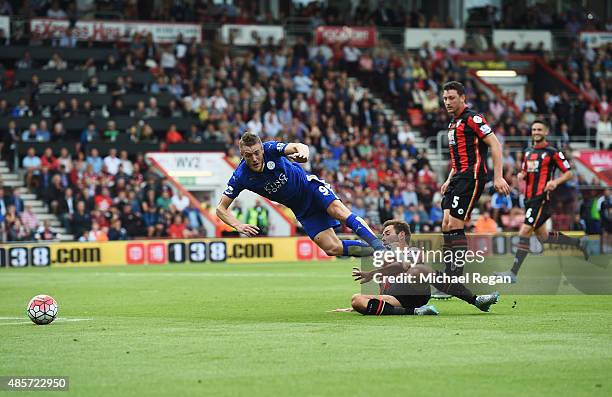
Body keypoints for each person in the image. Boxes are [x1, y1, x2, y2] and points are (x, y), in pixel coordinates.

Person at [216, 132, 385, 257]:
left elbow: (297, 146)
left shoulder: (270, 149)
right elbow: (220, 209)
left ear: (261, 149)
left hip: (309, 188)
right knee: (332, 248)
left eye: (256, 153)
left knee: (339, 211)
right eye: (248, 155)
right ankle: (377, 253)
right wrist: (237, 225)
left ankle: (380, 247)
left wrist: (303, 153)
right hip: (301, 209)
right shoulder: (241, 176)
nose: (254, 158)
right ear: (242, 155)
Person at [433, 81, 509, 309]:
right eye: (445, 98)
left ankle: (453, 279)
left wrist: (498, 176)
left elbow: (495, 145)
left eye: (452, 98)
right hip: (457, 177)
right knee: (446, 224)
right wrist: (448, 179)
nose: (447, 102)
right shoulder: (452, 124)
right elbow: (457, 159)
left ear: (463, 98)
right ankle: (449, 278)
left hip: (472, 178)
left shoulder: (472, 119)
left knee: (455, 223)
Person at [494, 120, 590, 282]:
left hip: (542, 198)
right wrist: (521, 175)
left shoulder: (553, 152)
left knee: (524, 232)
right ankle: (578, 243)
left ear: (546, 132)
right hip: (530, 200)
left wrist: (554, 182)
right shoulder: (528, 152)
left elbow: (569, 173)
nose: (536, 132)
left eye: (539, 129)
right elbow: (525, 171)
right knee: (543, 237)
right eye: (534, 129)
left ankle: (513, 273)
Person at [338, 220, 439, 315]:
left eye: (387, 234)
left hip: (414, 295)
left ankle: (417, 307)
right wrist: (366, 304)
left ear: (402, 235)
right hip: (396, 299)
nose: (383, 238)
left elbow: (403, 266)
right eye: (382, 235)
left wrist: (372, 273)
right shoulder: (384, 258)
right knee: (357, 300)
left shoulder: (414, 251)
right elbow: (385, 290)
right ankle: (415, 311)